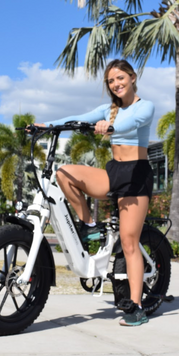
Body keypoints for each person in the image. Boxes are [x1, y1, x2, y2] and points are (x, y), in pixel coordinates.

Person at [33, 59, 155, 327]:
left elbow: (134, 121)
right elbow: (76, 119)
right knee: (63, 174)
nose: (116, 84)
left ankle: (136, 308)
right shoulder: (107, 109)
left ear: (133, 78)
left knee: (128, 241)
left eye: (120, 78)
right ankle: (89, 226)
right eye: (111, 81)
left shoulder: (144, 106)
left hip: (137, 175)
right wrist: (47, 126)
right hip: (114, 172)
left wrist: (110, 127)